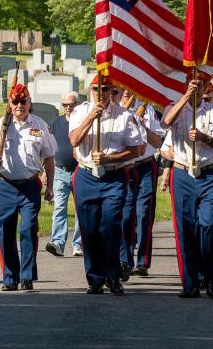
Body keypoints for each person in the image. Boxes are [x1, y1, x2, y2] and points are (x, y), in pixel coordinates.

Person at [162, 78, 213, 299]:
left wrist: (205, 138)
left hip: (209, 173)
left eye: (200, 87)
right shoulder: (176, 108)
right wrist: (186, 97)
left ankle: (211, 276)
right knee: (186, 229)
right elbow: (166, 123)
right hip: (182, 173)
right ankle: (190, 282)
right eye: (191, 86)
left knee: (210, 225)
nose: (196, 91)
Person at [0, 83, 56, 291]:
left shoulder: (40, 126)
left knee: (28, 228)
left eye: (23, 101)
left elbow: (49, 157)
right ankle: (9, 278)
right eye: (15, 101)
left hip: (30, 185)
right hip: (5, 185)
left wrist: (50, 184)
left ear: (30, 103)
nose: (19, 105)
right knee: (6, 231)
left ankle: (27, 275)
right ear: (10, 104)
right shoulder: (0, 125)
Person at [68, 77, 142, 295]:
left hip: (113, 176)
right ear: (90, 90)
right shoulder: (80, 112)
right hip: (86, 175)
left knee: (109, 226)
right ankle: (95, 278)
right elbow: (74, 140)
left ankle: (113, 275)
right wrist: (92, 116)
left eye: (105, 89)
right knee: (89, 229)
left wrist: (111, 159)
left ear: (113, 91)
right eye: (96, 88)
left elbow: (136, 149)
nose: (100, 92)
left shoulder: (125, 116)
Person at [121, 91, 165, 278]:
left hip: (146, 166)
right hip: (125, 167)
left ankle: (142, 261)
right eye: (121, 91)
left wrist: (142, 125)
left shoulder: (146, 110)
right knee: (125, 214)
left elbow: (158, 141)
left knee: (144, 213)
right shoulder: (118, 111)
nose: (125, 93)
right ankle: (125, 260)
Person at [45, 92, 82, 258]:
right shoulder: (56, 122)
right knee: (59, 207)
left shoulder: (82, 121)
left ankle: (79, 244)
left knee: (80, 208)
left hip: (80, 171)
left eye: (72, 104)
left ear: (78, 104)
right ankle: (58, 243)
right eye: (65, 105)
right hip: (60, 171)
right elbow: (47, 147)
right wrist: (45, 172)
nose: (68, 108)